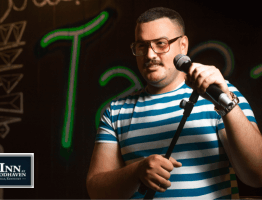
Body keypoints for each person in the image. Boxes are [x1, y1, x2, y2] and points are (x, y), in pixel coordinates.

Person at [86, 7, 262, 199]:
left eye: (161, 44)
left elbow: (257, 175)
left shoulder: (221, 93)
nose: (150, 55)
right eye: (142, 46)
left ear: (183, 45)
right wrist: (137, 172)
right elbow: (96, 191)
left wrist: (226, 103)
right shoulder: (116, 111)